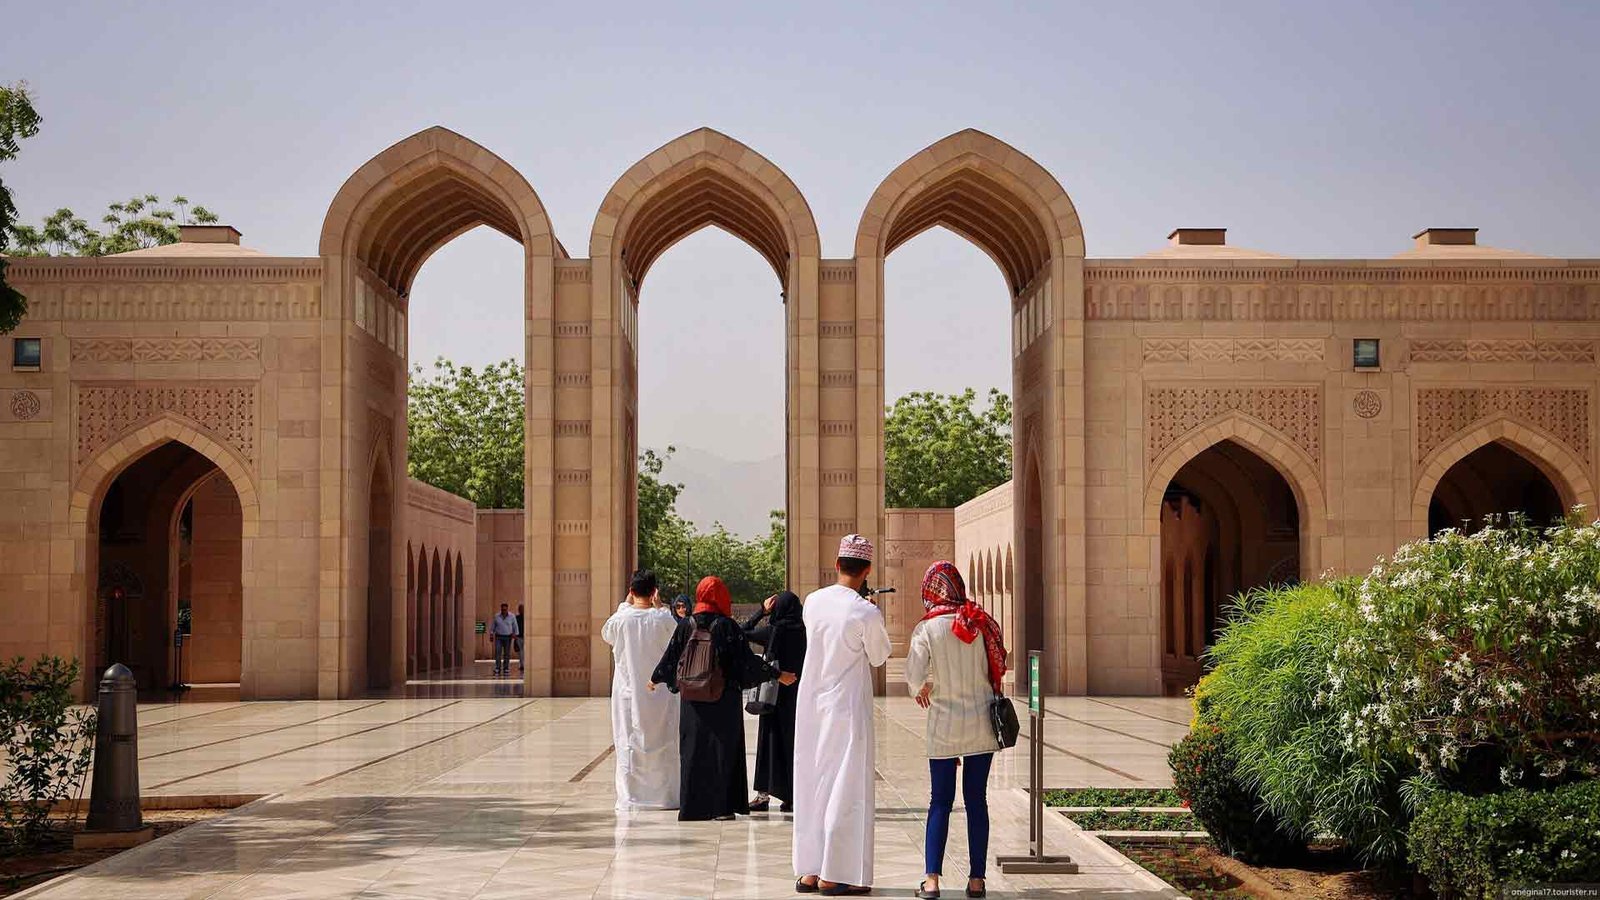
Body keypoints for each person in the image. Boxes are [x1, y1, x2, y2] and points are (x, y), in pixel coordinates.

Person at [793, 535, 892, 896]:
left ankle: (809, 869)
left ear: (837, 565)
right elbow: (880, 655)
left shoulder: (813, 601)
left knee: (812, 781)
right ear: (867, 570)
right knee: (846, 786)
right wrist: (867, 610)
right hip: (846, 706)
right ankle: (834, 873)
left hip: (812, 704)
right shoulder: (865, 611)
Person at [651, 575, 796, 821]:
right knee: (723, 751)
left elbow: (671, 655)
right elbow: (746, 661)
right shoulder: (725, 626)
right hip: (723, 699)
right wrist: (776, 674)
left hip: (692, 700)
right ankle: (723, 808)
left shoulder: (687, 624)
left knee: (694, 751)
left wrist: (656, 678)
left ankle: (694, 807)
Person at [906, 561, 1008, 900]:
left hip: (944, 726)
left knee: (940, 802)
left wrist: (924, 688)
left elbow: (913, 679)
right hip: (980, 723)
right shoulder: (979, 622)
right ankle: (977, 880)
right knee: (976, 800)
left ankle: (932, 881)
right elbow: (998, 664)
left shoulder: (927, 629)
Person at [602, 569, 680, 811]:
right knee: (665, 742)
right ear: (655, 592)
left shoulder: (620, 620)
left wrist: (625, 606)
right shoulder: (663, 619)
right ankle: (666, 797)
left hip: (628, 695)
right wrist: (660, 608)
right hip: (661, 695)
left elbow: (607, 633)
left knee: (628, 741)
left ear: (631, 591)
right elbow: (677, 634)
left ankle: (631, 797)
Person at [741, 590, 806, 813]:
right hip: (797, 696)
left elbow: (742, 632)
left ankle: (763, 795)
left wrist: (761, 611)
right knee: (793, 745)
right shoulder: (806, 632)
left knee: (768, 743)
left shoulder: (774, 631)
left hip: (772, 694)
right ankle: (793, 796)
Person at [489, 603, 519, 676]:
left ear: (507, 609)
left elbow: (515, 625)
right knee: (498, 652)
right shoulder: (497, 616)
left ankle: (506, 668)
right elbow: (493, 626)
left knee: (506, 653)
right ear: (501, 609)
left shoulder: (512, 616)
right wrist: (491, 634)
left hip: (508, 637)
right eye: (502, 609)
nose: (504, 611)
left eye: (505, 609)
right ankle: (497, 668)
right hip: (498, 637)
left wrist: (516, 634)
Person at [515, 603, 526, 674]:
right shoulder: (516, 618)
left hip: (524, 637)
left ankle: (523, 664)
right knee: (520, 652)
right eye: (520, 609)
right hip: (519, 637)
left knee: (523, 651)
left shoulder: (527, 618)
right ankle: (522, 664)